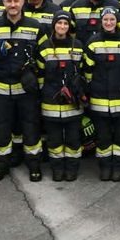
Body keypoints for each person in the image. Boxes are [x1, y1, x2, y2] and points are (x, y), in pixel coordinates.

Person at [0, 0, 45, 181]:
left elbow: (44, 57)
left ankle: (34, 165)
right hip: (2, 90)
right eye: (9, 1)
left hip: (27, 91)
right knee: (2, 128)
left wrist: (37, 79)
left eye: (16, 1)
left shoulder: (36, 27)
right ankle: (0, 165)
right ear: (4, 3)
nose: (13, 5)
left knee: (30, 128)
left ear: (23, 2)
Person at [82, 6, 120, 181]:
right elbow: (87, 71)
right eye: (105, 20)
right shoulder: (93, 42)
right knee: (103, 137)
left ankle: (119, 167)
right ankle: (105, 167)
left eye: (112, 19)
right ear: (101, 22)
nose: (109, 22)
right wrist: (93, 88)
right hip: (99, 99)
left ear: (117, 21)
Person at [39, 12, 86, 182]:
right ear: (53, 25)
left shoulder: (78, 46)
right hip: (50, 104)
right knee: (54, 140)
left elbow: (83, 72)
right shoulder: (44, 47)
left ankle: (72, 169)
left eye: (65, 24)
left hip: (72, 105)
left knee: (73, 139)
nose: (62, 27)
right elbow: (40, 75)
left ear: (69, 27)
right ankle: (57, 169)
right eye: (59, 23)